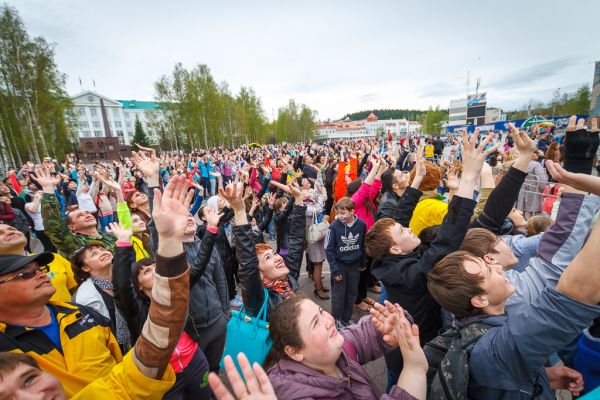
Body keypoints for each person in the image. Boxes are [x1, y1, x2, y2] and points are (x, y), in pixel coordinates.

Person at [426, 118, 600, 399]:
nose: (494, 262)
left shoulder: (478, 322)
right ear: (480, 300)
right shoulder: (500, 346)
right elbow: (577, 292)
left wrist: (543, 375)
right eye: (486, 268)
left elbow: (488, 215)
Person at [0, 174, 194, 398]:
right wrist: (48, 191)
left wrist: (169, 241)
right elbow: (56, 231)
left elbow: (127, 368)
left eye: (40, 270)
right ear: (83, 267)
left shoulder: (83, 316)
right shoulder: (8, 347)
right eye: (25, 274)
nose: (42, 276)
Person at [366, 131, 497, 390]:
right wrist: (469, 177)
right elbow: (448, 238)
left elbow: (400, 217)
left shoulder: (386, 259)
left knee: (394, 383)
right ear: (395, 249)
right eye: (403, 232)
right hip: (418, 350)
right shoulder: (413, 273)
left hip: (399, 351)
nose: (410, 229)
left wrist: (417, 179)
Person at [264, 297, 427, 400]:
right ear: (295, 352)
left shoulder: (336, 350)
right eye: (315, 323)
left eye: (321, 311)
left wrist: (391, 326)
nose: (329, 320)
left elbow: (361, 334)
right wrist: (414, 370)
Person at [226, 181, 305, 319]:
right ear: (260, 275)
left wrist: (298, 199)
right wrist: (239, 211)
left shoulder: (288, 277)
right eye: (268, 258)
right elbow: (248, 265)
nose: (278, 258)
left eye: (274, 254)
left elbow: (296, 241)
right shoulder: (258, 299)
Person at [35, 167, 117, 258]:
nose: (87, 215)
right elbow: (53, 226)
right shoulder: (73, 243)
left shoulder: (109, 237)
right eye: (80, 215)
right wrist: (48, 189)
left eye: (87, 213)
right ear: (71, 227)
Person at [0, 224, 76, 303]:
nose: (10, 232)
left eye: (12, 229)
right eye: (0, 233)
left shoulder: (53, 258)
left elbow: (76, 288)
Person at [325, 197, 367, 327]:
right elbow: (329, 249)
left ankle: (346, 318)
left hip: (354, 266)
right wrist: (335, 269)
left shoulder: (361, 225)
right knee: (339, 295)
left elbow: (363, 245)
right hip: (340, 267)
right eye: (338, 213)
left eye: (343, 213)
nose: (340, 216)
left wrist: (363, 262)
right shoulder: (334, 226)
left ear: (352, 211)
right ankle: (336, 319)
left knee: (352, 293)